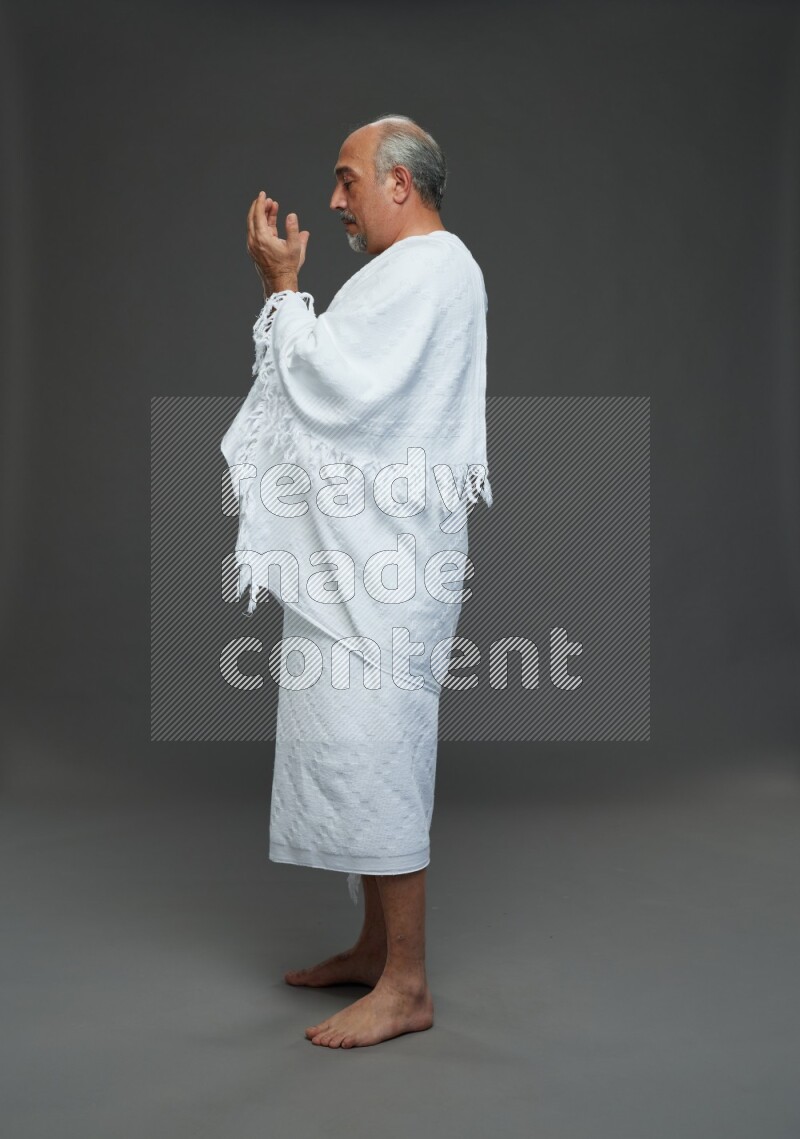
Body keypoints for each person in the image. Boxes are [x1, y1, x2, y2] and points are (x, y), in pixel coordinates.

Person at [221, 114, 492, 1047]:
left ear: (400, 183)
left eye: (346, 180)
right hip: (363, 555)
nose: (334, 199)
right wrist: (292, 297)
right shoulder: (407, 273)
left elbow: (342, 387)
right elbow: (350, 399)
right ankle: (377, 945)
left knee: (380, 752)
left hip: (387, 567)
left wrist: (286, 287)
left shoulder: (434, 269)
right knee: (354, 744)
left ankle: (408, 986)